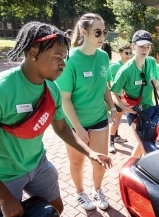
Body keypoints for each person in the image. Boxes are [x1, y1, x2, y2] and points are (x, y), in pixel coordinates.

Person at [0, 21, 112, 217]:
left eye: (64, 57)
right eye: (57, 57)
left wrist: (90, 152)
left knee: (56, 209)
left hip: (38, 166)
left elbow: (62, 127)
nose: (63, 64)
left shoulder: (51, 88)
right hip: (1, 175)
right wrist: (5, 198)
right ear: (33, 51)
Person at [55, 13, 118, 211]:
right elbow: (65, 99)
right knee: (77, 161)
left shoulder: (103, 56)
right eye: (98, 32)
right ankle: (80, 192)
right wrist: (78, 128)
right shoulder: (71, 60)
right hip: (75, 123)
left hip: (99, 119)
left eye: (104, 32)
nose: (102, 36)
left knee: (99, 161)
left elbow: (105, 87)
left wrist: (113, 107)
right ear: (84, 32)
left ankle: (98, 189)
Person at [110, 30, 159, 158]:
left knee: (143, 144)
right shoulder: (125, 70)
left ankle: (131, 165)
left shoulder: (151, 62)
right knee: (146, 145)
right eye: (141, 46)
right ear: (133, 46)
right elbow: (113, 93)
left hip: (150, 109)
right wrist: (125, 108)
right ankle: (136, 172)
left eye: (148, 46)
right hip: (135, 111)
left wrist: (156, 83)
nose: (145, 49)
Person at [107, 43, 132, 153]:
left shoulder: (130, 65)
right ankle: (111, 142)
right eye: (126, 53)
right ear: (120, 53)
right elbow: (106, 75)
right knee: (116, 120)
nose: (129, 55)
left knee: (119, 116)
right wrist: (109, 88)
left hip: (125, 97)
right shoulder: (116, 65)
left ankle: (116, 137)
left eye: (130, 53)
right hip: (116, 97)